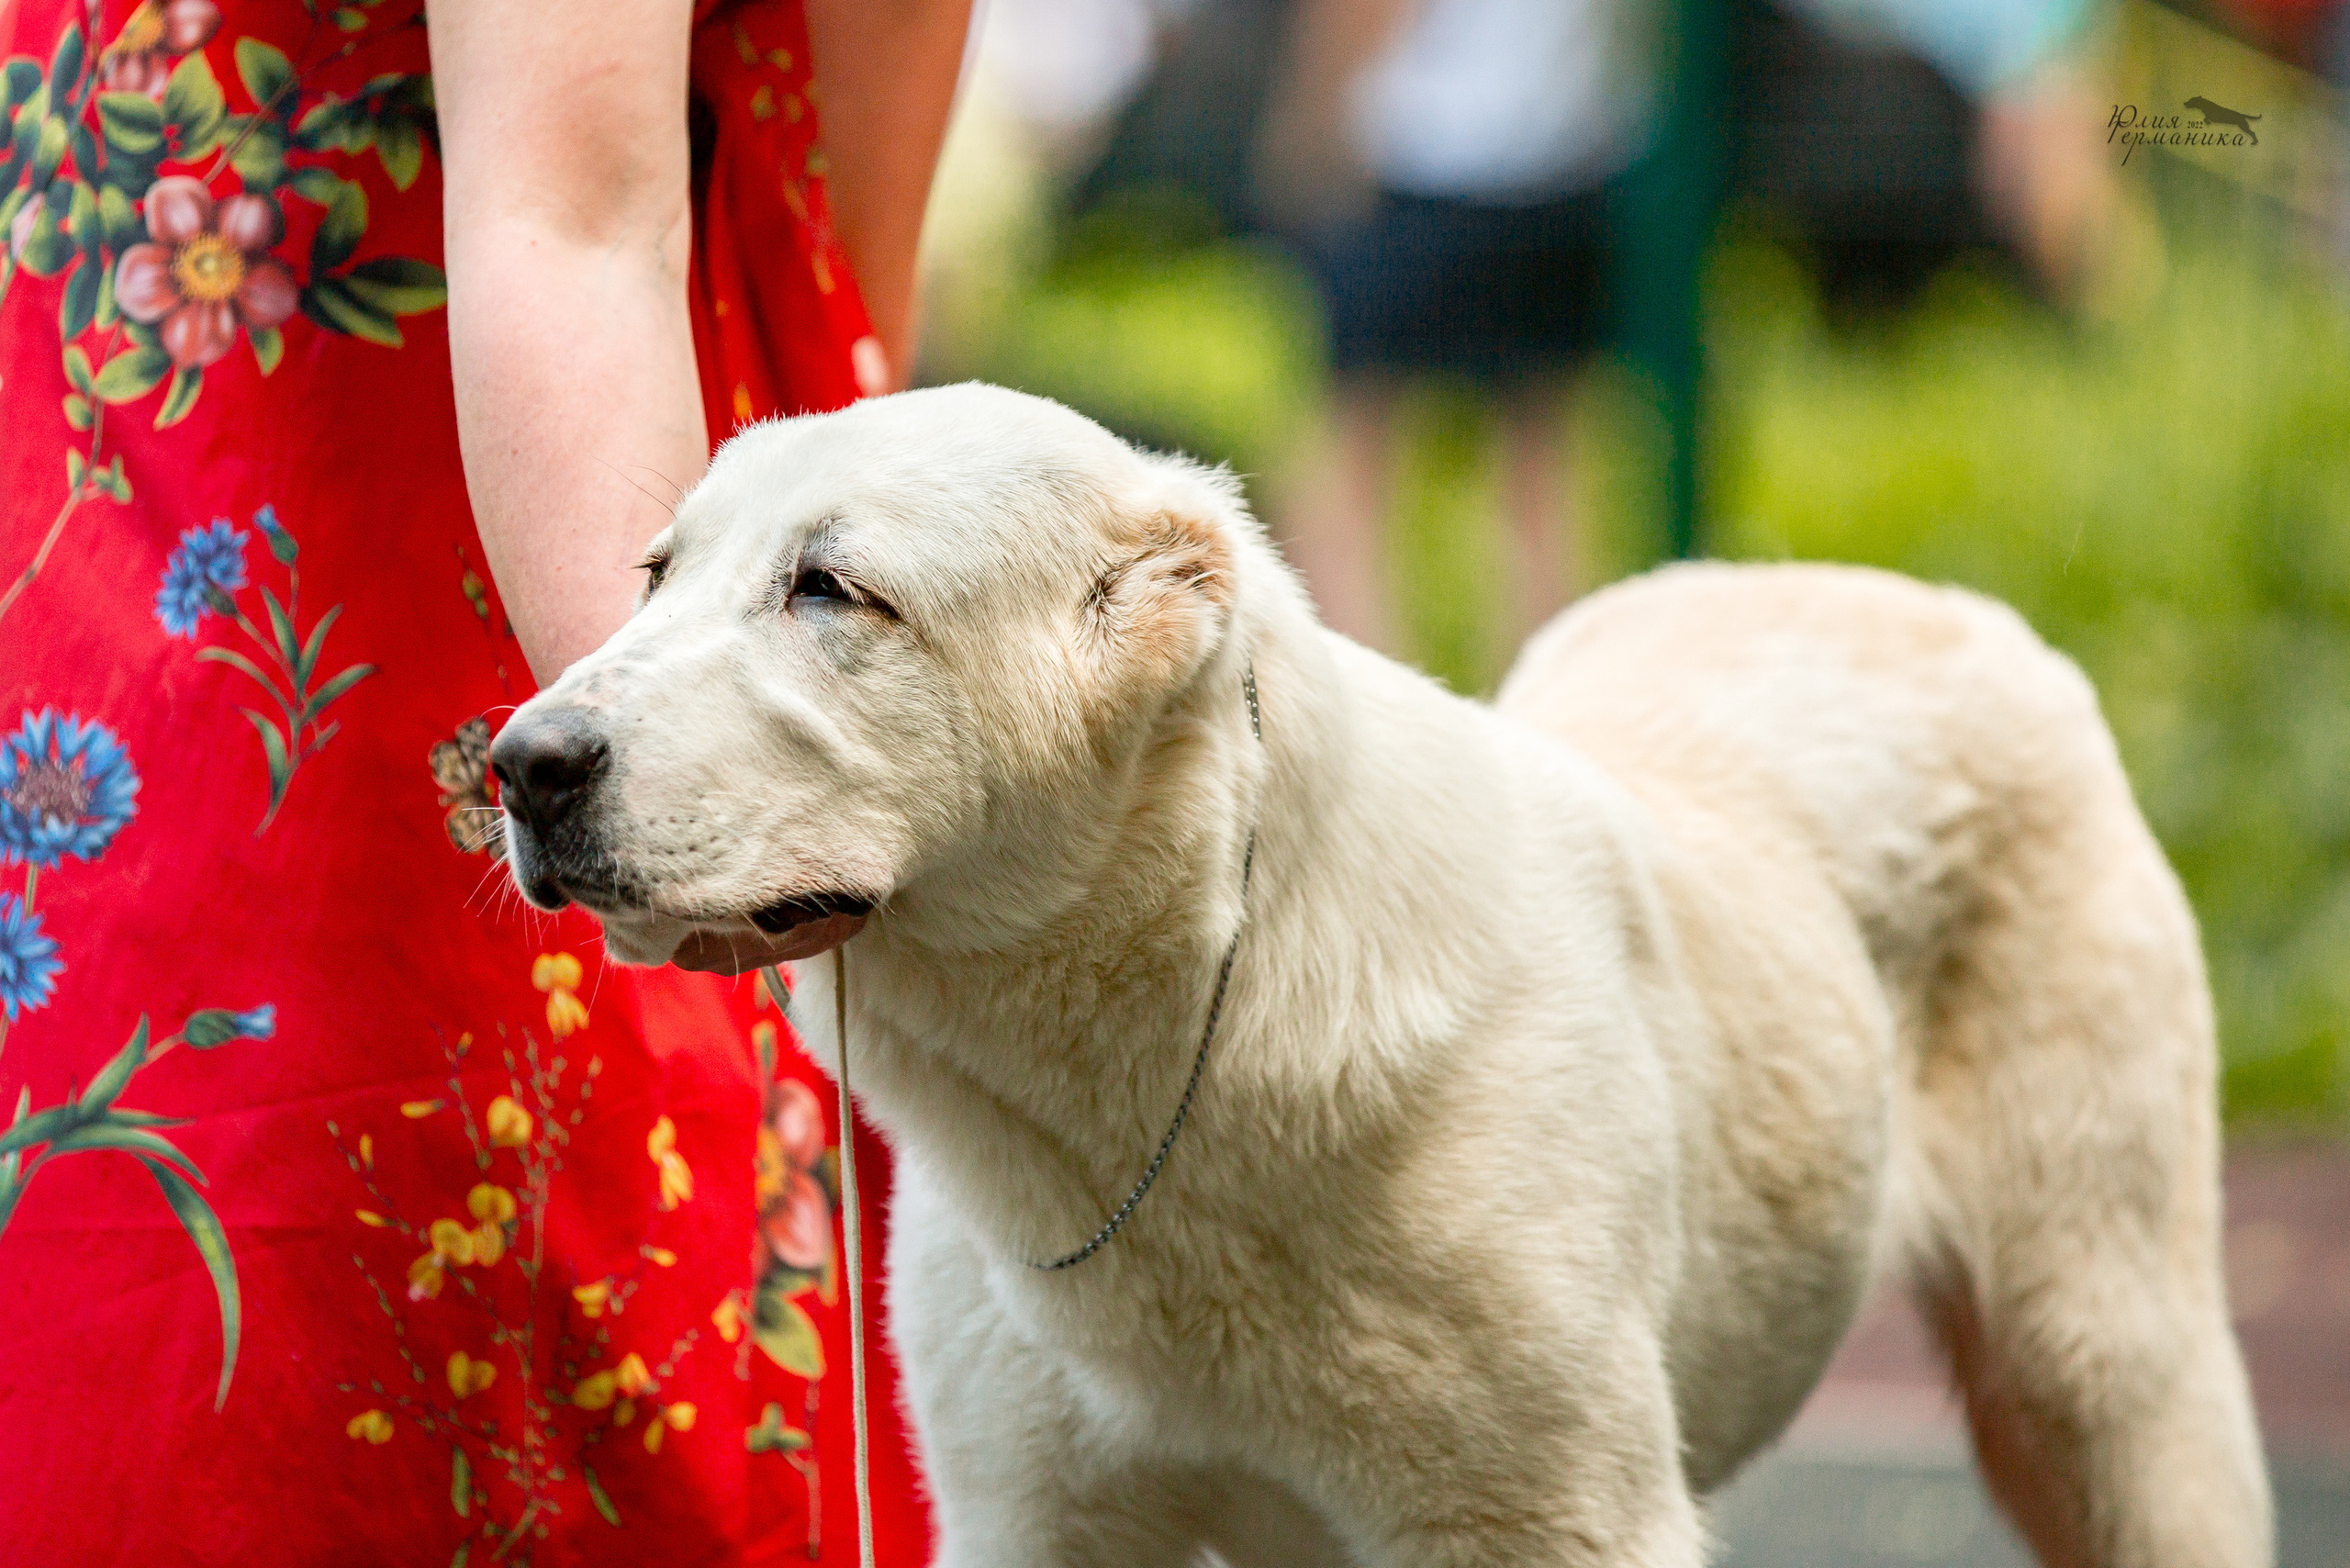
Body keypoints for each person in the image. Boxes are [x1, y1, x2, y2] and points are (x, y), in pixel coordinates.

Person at [0, 0, 966, 1561]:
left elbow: (816, 256)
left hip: (166, 596)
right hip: (391, 671)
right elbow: (593, 224)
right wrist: (693, 797)